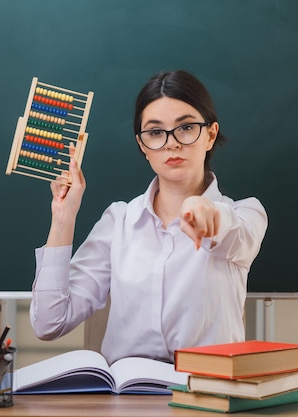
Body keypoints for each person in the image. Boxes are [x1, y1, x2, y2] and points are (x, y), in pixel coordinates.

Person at [30, 70, 268, 365]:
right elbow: (49, 323)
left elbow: (234, 235)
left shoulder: (245, 214)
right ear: (143, 146)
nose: (171, 143)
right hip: (128, 399)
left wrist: (206, 211)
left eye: (186, 128)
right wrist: (63, 217)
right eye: (155, 132)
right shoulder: (118, 223)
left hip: (206, 398)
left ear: (210, 134)